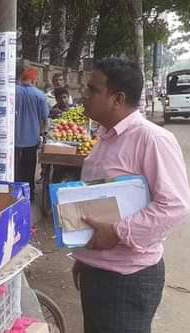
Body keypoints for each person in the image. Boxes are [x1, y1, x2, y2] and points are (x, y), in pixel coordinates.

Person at [72, 58, 190, 333]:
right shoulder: (105, 137)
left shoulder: (151, 139)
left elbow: (175, 206)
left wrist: (117, 232)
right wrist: (83, 258)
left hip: (127, 279)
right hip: (98, 270)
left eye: (92, 89)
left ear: (117, 98)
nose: (85, 95)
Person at [15, 67, 48, 199]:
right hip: (32, 137)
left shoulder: (12, 92)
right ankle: (29, 193)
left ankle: (14, 192)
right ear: (34, 80)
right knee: (29, 166)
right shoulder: (40, 95)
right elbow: (45, 116)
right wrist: (44, 134)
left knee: (15, 166)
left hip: (14, 138)